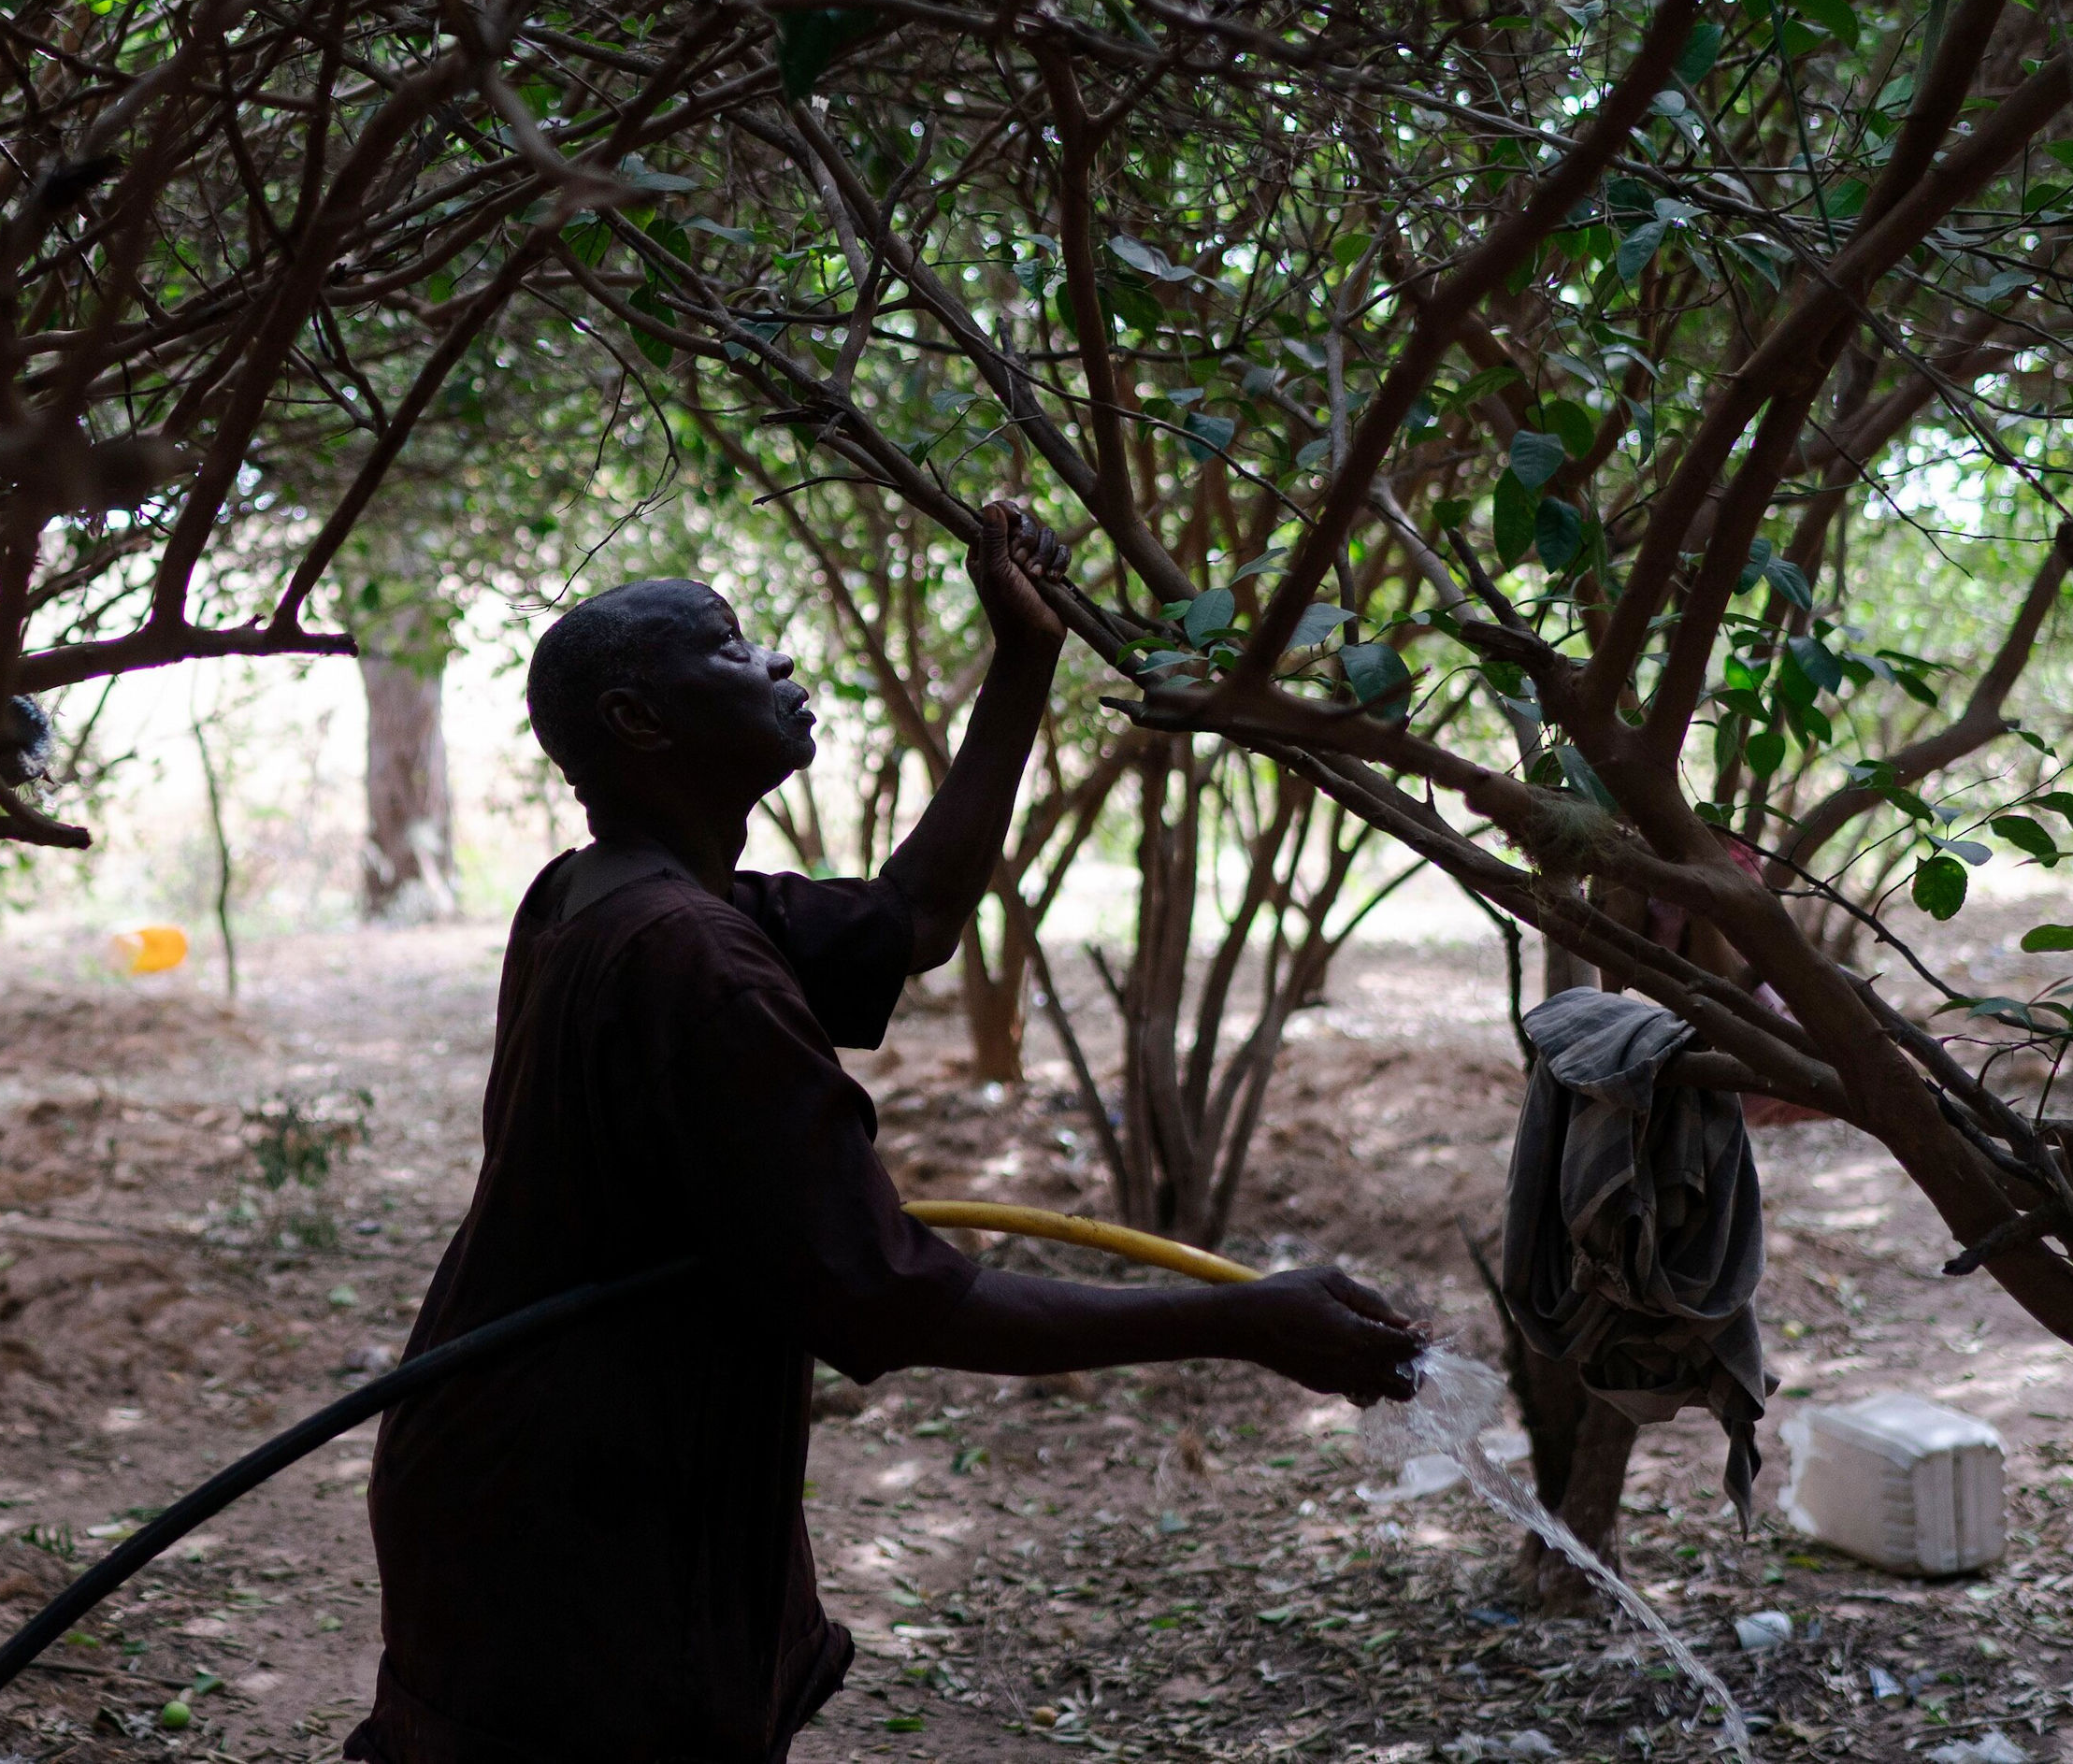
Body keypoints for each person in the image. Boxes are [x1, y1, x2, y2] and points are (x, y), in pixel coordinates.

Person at [346, 500, 1429, 1764]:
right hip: (578, 1512)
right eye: (735, 648)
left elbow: (913, 916)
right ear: (639, 722)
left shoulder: (614, 896)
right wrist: (1238, 1321)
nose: (778, 667)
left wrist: (1022, 658)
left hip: (529, 1471)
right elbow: (890, 1298)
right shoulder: (694, 960)